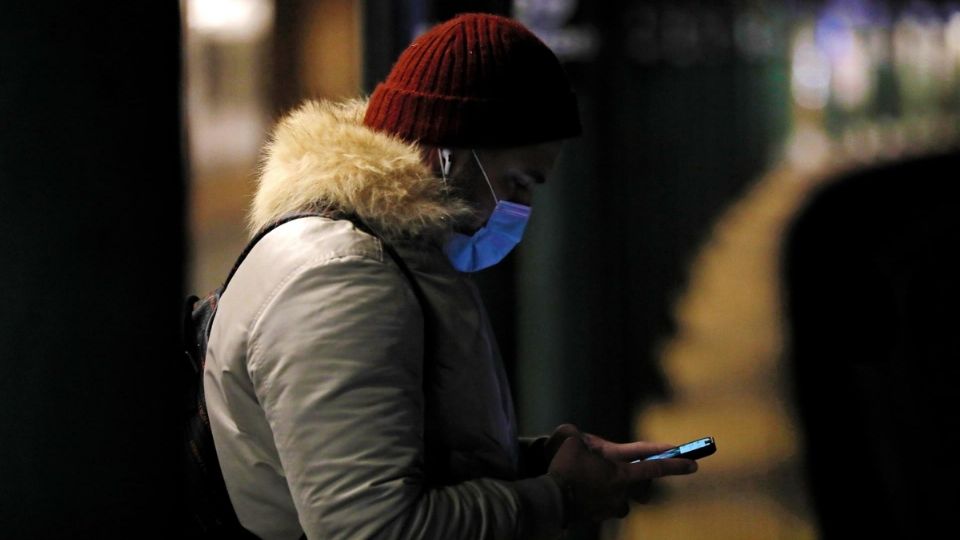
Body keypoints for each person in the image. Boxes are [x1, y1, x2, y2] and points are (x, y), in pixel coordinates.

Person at [203, 12, 698, 540]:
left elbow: (405, 453)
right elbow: (372, 527)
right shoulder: (342, 278)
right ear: (445, 155)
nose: (522, 207)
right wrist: (561, 497)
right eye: (518, 182)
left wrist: (540, 464)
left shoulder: (390, 252)